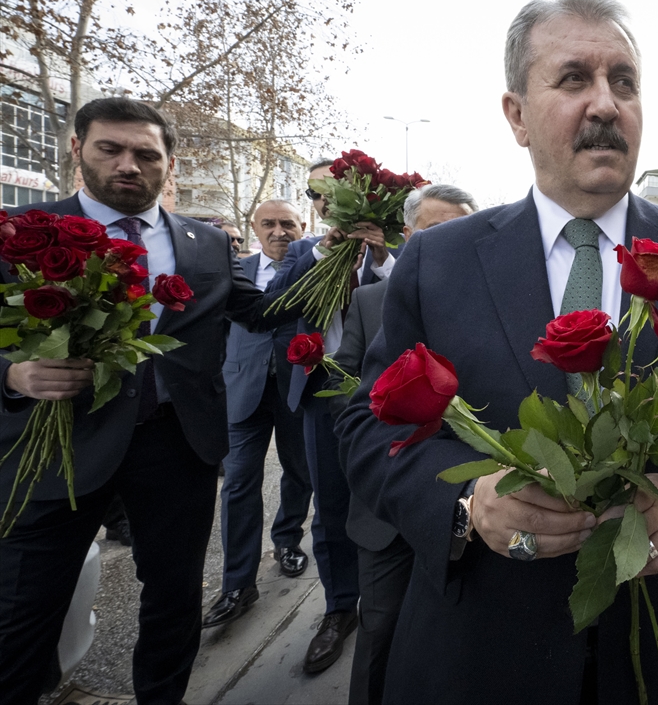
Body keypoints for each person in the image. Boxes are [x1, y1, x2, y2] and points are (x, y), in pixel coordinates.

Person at [336, 0, 658, 705]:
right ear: (516, 114)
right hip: (481, 650)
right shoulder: (439, 261)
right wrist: (468, 505)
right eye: (574, 79)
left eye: (624, 82)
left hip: (656, 644)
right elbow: (367, 424)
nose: (605, 104)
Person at [0, 97, 302, 704]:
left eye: (146, 153)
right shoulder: (21, 234)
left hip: (177, 447)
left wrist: (341, 258)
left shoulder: (207, 244)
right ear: (77, 149)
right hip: (56, 449)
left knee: (173, 600)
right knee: (23, 614)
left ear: (169, 163)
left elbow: (266, 313)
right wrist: (14, 376)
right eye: (110, 149)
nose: (128, 164)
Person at [326, 183, 478, 705]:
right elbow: (346, 397)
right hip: (387, 515)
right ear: (408, 236)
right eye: (435, 232)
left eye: (461, 231)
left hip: (474, 507)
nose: (447, 244)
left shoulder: (491, 305)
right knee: (382, 631)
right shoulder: (371, 302)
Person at [265, 159, 400, 674]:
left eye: (336, 191)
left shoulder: (396, 251)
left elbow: (413, 299)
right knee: (331, 505)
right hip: (323, 396)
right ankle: (340, 609)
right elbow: (270, 309)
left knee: (384, 501)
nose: (326, 203)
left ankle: (386, 602)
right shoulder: (302, 250)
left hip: (390, 396)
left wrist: (383, 256)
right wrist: (324, 251)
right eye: (317, 195)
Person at [202, 199, 314, 629]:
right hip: (242, 391)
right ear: (255, 228)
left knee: (298, 471)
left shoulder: (317, 267)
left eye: (287, 223)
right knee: (238, 483)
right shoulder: (235, 271)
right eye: (268, 224)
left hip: (296, 388)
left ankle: (287, 541)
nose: (279, 231)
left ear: (302, 225)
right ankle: (237, 583)